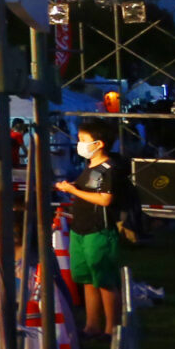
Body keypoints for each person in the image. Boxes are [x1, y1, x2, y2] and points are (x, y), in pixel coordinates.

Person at [54, 122, 129, 336]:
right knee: (87, 280)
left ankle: (111, 328)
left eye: (83, 140)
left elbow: (105, 200)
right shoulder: (90, 168)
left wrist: (72, 190)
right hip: (80, 230)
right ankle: (91, 325)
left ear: (99, 144)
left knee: (104, 281)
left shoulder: (108, 169)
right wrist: (69, 194)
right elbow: (87, 194)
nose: (80, 144)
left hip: (99, 232)